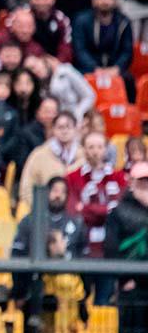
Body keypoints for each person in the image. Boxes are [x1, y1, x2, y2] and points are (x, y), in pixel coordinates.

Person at [66, 132, 126, 304]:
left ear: (106, 149)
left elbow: (121, 213)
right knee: (80, 299)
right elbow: (74, 211)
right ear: (84, 149)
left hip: (109, 249)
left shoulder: (118, 177)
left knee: (103, 301)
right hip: (82, 247)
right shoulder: (72, 177)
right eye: (91, 147)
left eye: (99, 147)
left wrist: (87, 208)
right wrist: (107, 210)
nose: (95, 151)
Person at [104, 162, 148, 332]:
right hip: (132, 286)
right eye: (141, 182)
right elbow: (111, 249)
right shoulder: (118, 213)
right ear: (132, 183)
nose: (145, 186)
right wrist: (123, 278)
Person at [72, 0, 135, 88]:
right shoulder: (81, 20)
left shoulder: (123, 22)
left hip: (114, 69)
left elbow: (127, 51)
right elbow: (80, 50)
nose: (105, 1)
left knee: (128, 80)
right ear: (93, 0)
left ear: (115, 1)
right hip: (88, 69)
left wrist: (116, 68)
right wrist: (95, 68)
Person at [20, 112, 84, 208]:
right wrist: (41, 210)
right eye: (60, 127)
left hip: (77, 213)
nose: (64, 131)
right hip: (45, 212)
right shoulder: (39, 155)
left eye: (68, 127)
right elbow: (26, 189)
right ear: (53, 129)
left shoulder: (85, 157)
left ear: (75, 129)